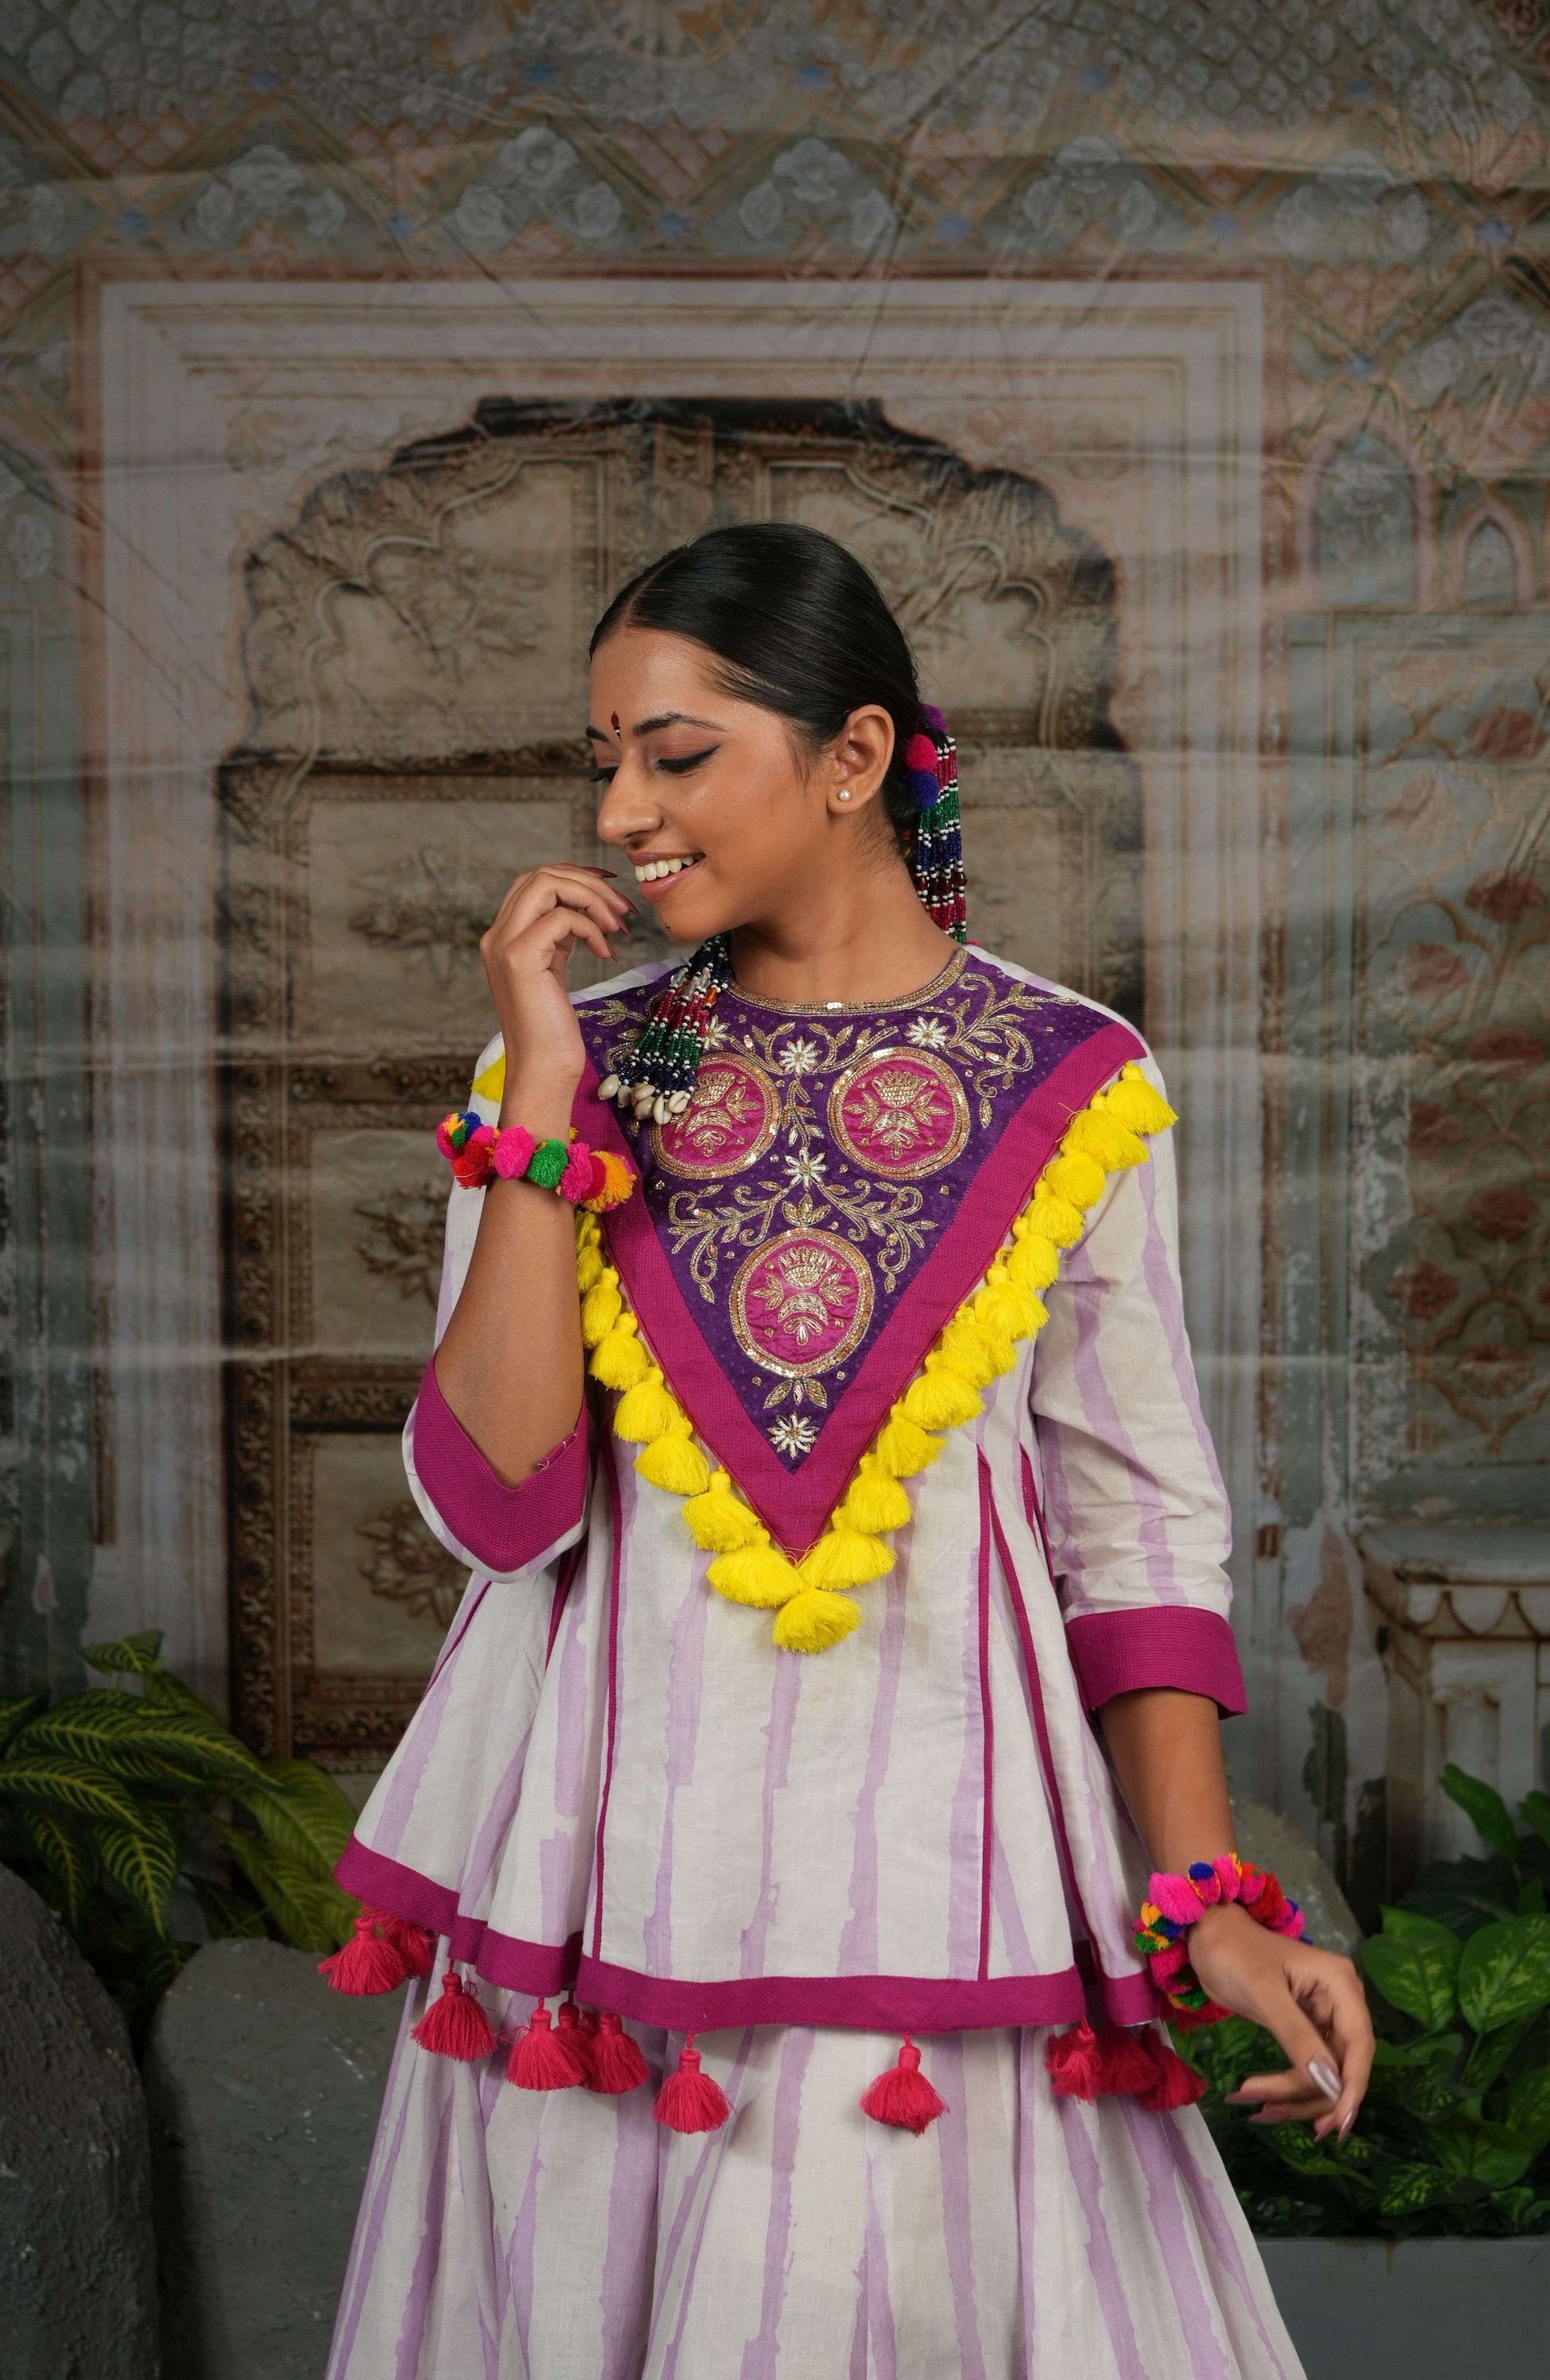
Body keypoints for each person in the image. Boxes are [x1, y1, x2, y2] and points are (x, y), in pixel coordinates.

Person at [323, 522, 1371, 2378]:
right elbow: (497, 1509)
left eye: (675, 750)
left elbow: (1135, 1528)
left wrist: (1205, 1898)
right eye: (607, 756)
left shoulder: (1075, 1080)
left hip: (946, 1896)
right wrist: (546, 1105)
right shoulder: (557, 1071)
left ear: (857, 755)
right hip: (608, 1895)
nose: (623, 806)